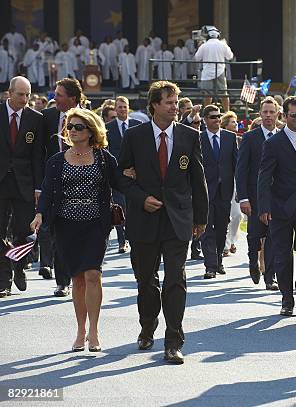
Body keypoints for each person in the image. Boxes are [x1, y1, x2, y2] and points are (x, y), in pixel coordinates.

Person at [117, 80, 208, 364]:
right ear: (155, 104)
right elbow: (119, 177)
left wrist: (201, 218)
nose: (175, 107)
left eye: (177, 101)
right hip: (144, 219)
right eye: (169, 102)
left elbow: (198, 178)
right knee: (146, 281)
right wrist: (139, 197)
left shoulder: (190, 136)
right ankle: (147, 326)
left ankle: (174, 340)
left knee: (175, 280)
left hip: (178, 219)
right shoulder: (134, 136)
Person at [31, 108, 117, 352]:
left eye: (79, 127)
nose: (73, 131)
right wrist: (39, 214)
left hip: (95, 225)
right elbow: (47, 191)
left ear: (91, 130)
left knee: (93, 274)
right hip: (66, 225)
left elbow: (121, 181)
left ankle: (95, 330)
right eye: (70, 127)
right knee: (77, 279)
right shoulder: (57, 161)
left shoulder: (103, 158)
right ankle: (81, 331)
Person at [258, 96, 296, 316]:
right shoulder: (273, 143)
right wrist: (264, 207)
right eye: (294, 115)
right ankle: (286, 297)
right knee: (283, 255)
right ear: (284, 117)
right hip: (281, 207)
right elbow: (264, 176)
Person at [0, 77, 44, 298]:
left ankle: (18, 266)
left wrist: (38, 187)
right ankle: (4, 280)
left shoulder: (35, 119)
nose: (25, 99)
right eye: (21, 94)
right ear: (9, 93)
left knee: (25, 232)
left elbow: (38, 156)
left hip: (24, 184)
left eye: (28, 94)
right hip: (1, 182)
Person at [40, 78, 82, 296]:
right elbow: (38, 152)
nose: (54, 98)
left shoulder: (89, 118)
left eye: (59, 94)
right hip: (57, 184)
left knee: (81, 236)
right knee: (60, 235)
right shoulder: (47, 117)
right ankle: (62, 281)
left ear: (72, 98)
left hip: (84, 185)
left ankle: (80, 277)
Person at [236, 96, 279, 289]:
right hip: (253, 198)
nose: (268, 116)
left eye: (272, 112)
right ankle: (253, 261)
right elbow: (241, 169)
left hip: (277, 198)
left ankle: (270, 276)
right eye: (265, 112)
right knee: (255, 235)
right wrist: (243, 197)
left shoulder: (283, 136)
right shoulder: (250, 137)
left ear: (278, 114)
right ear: (260, 114)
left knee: (273, 236)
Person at [198, 105, 237, 279]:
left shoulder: (230, 137)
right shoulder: (198, 139)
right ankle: (210, 266)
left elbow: (237, 165)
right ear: (205, 119)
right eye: (213, 117)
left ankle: (219, 259)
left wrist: (239, 191)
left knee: (222, 228)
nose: (217, 119)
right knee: (207, 229)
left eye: (218, 116)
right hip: (205, 190)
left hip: (225, 191)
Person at [106, 96, 141, 254]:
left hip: (136, 175)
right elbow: (107, 152)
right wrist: (119, 171)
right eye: (119, 107)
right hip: (118, 175)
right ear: (115, 108)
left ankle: (134, 237)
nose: (122, 109)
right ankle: (122, 241)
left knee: (133, 207)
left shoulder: (137, 125)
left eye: (124, 106)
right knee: (120, 207)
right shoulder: (109, 128)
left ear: (129, 108)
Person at [194, 28, 233, 113]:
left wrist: (199, 45)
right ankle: (227, 112)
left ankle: (207, 113)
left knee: (207, 95)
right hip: (220, 71)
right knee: (223, 93)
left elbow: (197, 58)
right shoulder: (222, 45)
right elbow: (230, 56)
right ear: (218, 36)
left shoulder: (204, 45)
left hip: (207, 73)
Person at [220, 111, 241, 258]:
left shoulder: (241, 140)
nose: (236, 124)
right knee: (226, 215)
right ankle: (226, 244)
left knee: (238, 215)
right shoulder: (220, 138)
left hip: (237, 180)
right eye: (233, 122)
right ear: (226, 124)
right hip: (224, 181)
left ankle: (233, 239)